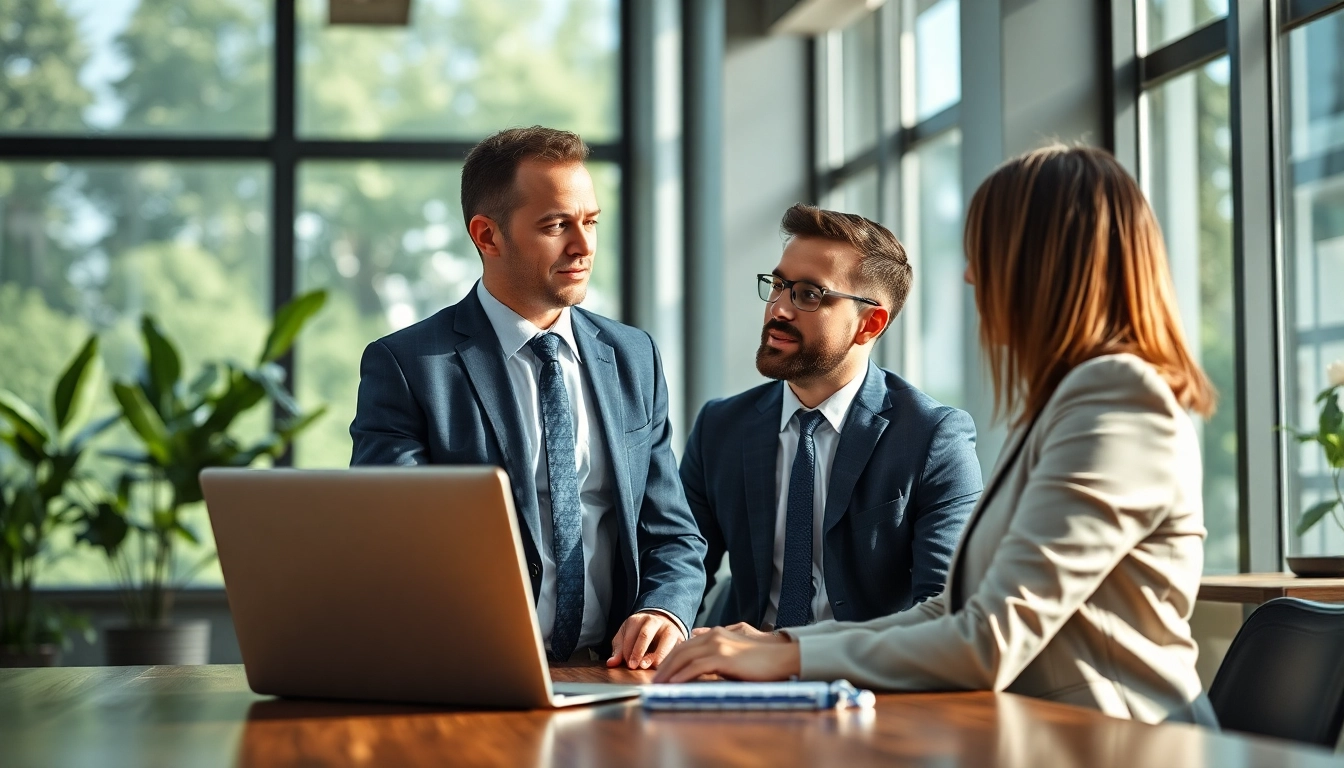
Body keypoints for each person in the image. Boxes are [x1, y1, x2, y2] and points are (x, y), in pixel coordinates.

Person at [657, 145, 1220, 727]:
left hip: (1127, 743)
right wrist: (776, 650)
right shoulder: (1064, 404)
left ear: (1045, 265)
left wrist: (789, 654)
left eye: (987, 252)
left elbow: (990, 638)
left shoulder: (1116, 402)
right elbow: (952, 612)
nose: (971, 274)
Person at [350, 126, 706, 670]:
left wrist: (666, 611)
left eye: (590, 222)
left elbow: (672, 534)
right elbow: (395, 540)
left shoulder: (634, 356)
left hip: (611, 677)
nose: (583, 246)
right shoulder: (407, 366)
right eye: (556, 225)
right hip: (470, 673)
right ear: (487, 236)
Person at [680, 204, 982, 632]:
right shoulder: (721, 426)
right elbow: (681, 561)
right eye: (779, 286)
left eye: (808, 294)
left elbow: (945, 604)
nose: (778, 309)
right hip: (735, 675)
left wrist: (795, 656)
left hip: (866, 683)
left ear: (870, 323)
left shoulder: (934, 437)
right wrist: (664, 618)